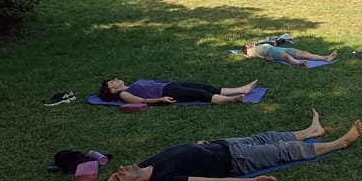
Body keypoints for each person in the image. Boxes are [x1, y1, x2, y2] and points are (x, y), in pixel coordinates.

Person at [99, 109, 362, 181]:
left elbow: (176, 154)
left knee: (268, 136)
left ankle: (311, 130)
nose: (120, 168)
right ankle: (340, 143)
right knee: (283, 151)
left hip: (222, 145)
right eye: (118, 177)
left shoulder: (143, 166)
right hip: (235, 162)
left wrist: (199, 144)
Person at [99, 78, 258, 105]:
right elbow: (141, 101)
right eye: (111, 84)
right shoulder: (124, 94)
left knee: (204, 87)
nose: (115, 82)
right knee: (199, 94)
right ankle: (233, 99)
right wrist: (160, 100)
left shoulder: (129, 85)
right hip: (166, 93)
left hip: (169, 85)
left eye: (113, 80)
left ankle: (242, 89)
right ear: (113, 91)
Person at [243, 41, 337, 67]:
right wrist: (264, 58)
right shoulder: (249, 50)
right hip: (271, 52)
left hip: (278, 48)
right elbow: (255, 55)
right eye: (247, 43)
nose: (249, 42)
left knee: (303, 53)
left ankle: (326, 58)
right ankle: (299, 64)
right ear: (246, 47)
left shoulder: (259, 44)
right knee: (286, 57)